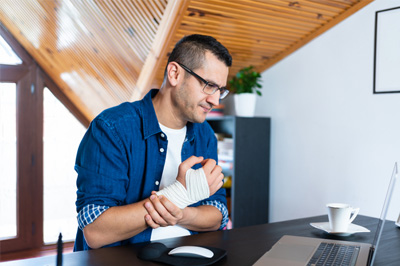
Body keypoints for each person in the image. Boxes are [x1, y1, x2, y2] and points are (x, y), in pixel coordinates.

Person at [74, 34, 233, 251]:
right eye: (209, 85)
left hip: (190, 255)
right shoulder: (112, 128)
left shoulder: (204, 134)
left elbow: (218, 214)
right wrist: (179, 194)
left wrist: (181, 213)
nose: (215, 100)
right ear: (175, 73)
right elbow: (95, 230)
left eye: (220, 90)